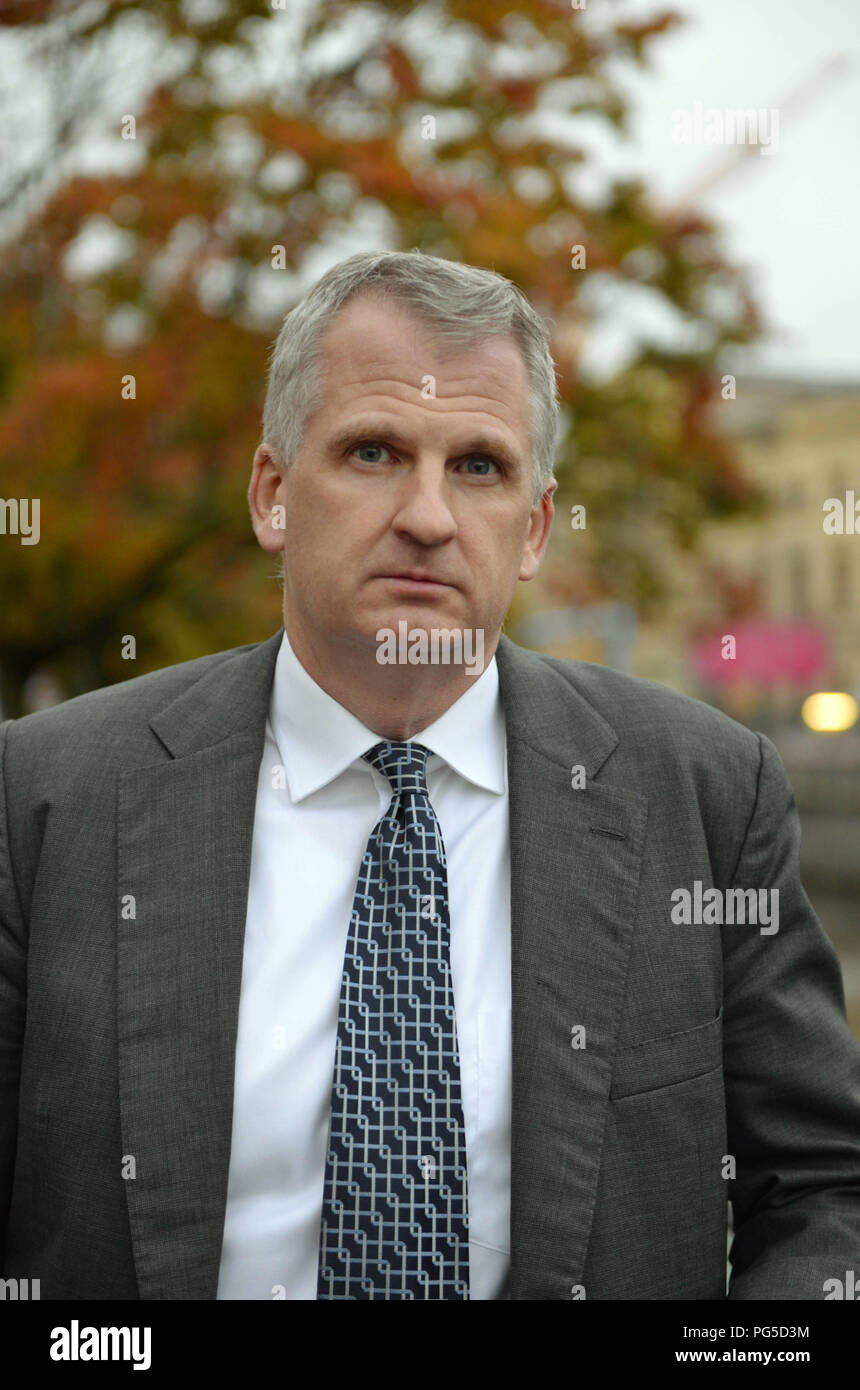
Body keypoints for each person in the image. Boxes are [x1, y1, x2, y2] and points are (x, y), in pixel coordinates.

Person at [1, 250, 858, 1302]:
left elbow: (823, 1188)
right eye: (373, 452)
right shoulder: (45, 802)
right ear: (272, 495)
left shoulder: (706, 795)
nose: (427, 516)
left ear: (534, 527)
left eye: (479, 467)